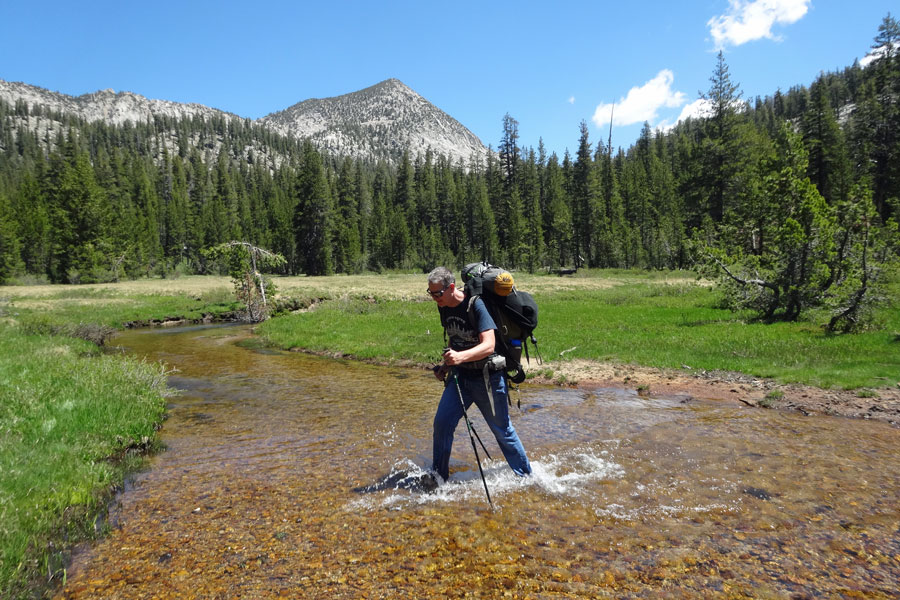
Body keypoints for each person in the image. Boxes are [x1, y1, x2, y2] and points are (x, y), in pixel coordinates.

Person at [426, 266, 532, 483]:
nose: (434, 298)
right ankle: (438, 477)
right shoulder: (444, 306)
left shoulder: (475, 305)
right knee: (442, 424)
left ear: (451, 287)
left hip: (488, 379)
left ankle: (527, 477)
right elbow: (454, 337)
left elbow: (489, 345)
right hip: (460, 379)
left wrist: (460, 357)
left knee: (502, 430)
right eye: (431, 293)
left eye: (437, 293)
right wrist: (445, 366)